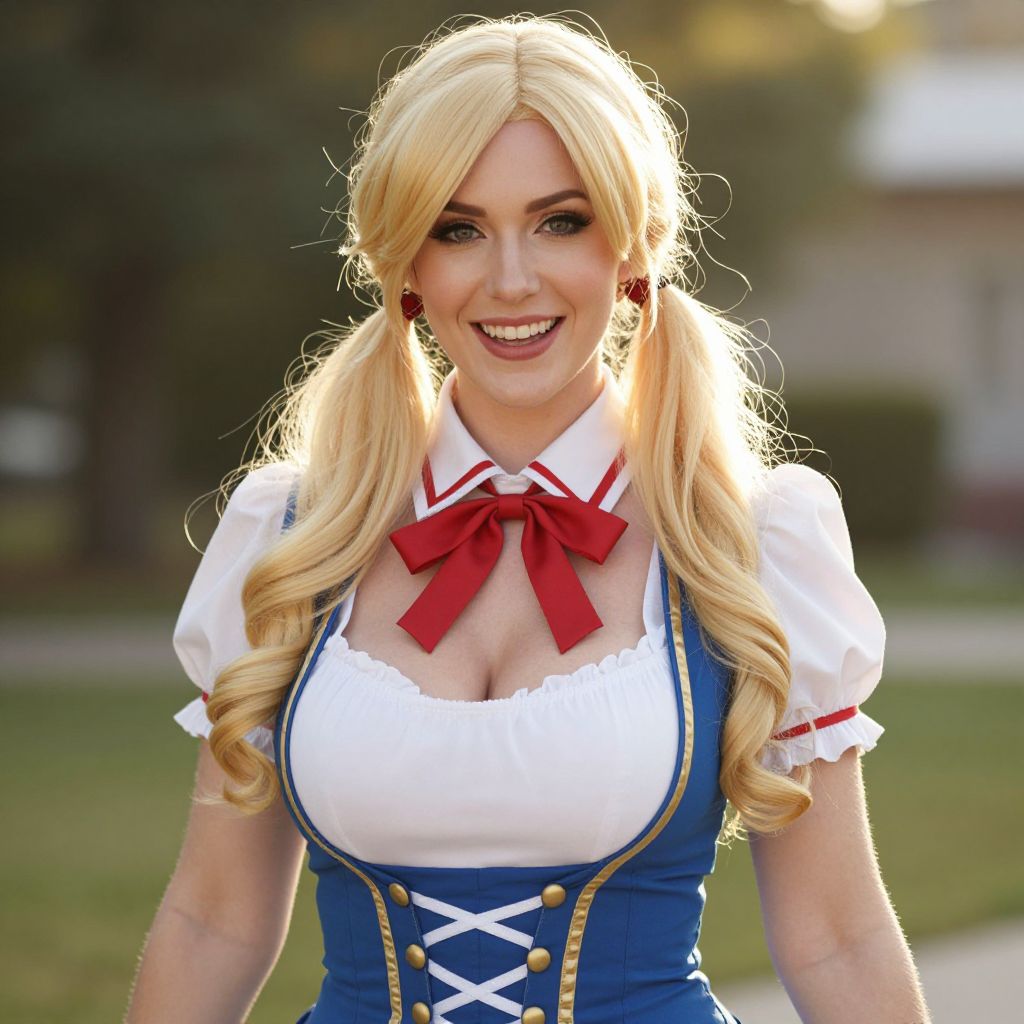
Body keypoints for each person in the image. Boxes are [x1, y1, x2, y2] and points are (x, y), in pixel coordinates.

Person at [126, 14, 931, 1024]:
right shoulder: (291, 535)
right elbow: (215, 920)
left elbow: (837, 936)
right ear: (406, 266)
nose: (511, 279)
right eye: (457, 229)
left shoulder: (749, 545)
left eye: (561, 220)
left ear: (633, 247)